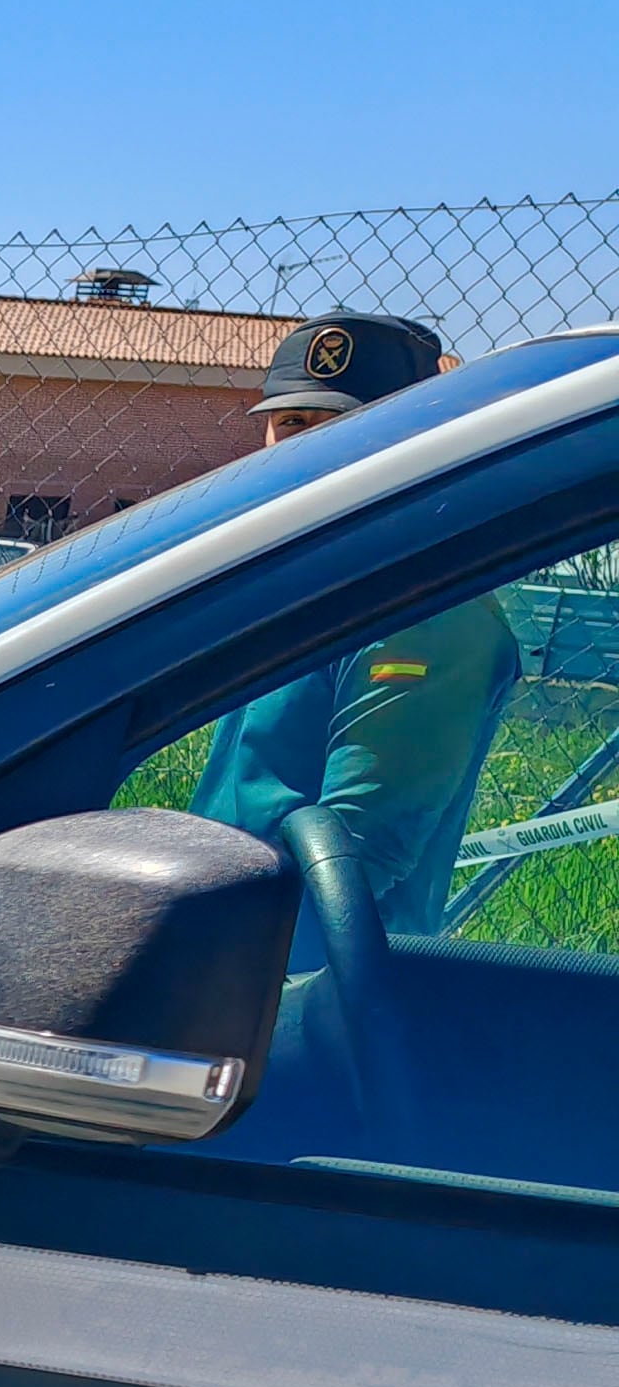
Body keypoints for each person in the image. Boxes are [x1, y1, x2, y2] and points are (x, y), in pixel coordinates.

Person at [190, 315, 514, 934]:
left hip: (300, 990)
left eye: (350, 426)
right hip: (227, 954)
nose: (315, 448)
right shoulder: (308, 585)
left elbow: (353, 864)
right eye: (293, 424)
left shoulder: (424, 610)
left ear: (414, 437)